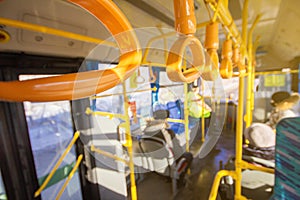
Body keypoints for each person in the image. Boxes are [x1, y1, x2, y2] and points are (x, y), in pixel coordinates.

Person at [243, 91, 299, 160]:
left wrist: (268, 130)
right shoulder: (276, 111)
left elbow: (282, 129)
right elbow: (271, 123)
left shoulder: (288, 115)